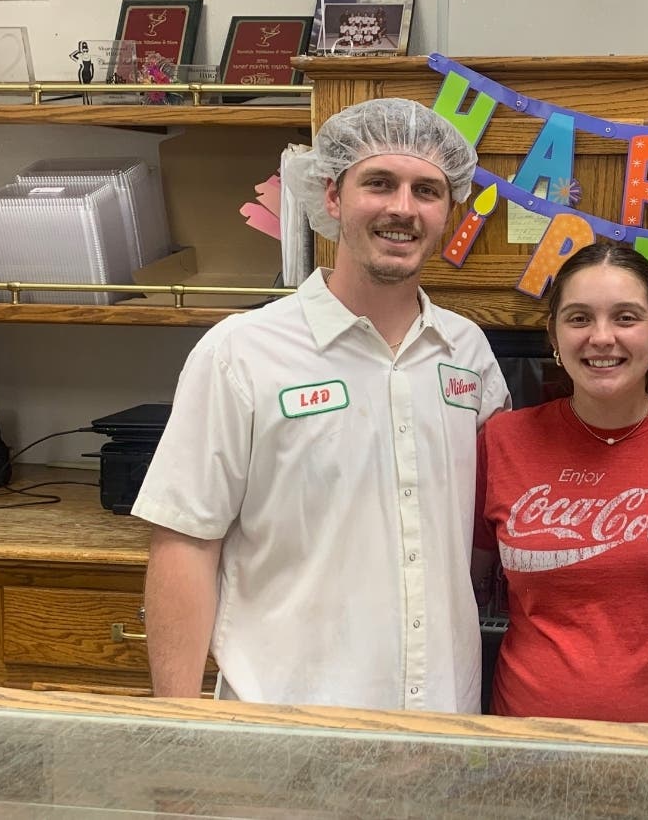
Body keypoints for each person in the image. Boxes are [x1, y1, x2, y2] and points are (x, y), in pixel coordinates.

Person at [133, 98, 510, 710]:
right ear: (332, 198)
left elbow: (500, 506)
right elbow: (185, 543)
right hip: (286, 724)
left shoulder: (468, 352)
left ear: (449, 211)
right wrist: (181, 725)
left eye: (427, 190)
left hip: (443, 719)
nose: (402, 209)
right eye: (379, 184)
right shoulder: (242, 352)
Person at [474, 242, 648, 725]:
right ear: (553, 334)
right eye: (579, 318)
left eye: (626, 317)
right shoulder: (502, 441)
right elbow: (466, 584)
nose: (602, 337)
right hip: (524, 741)